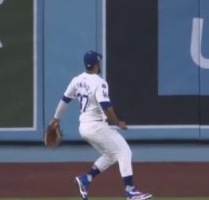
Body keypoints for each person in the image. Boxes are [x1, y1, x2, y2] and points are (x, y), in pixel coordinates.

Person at [50, 51, 152, 200]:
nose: (100, 64)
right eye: (99, 62)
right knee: (124, 151)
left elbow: (64, 101)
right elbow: (106, 105)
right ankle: (130, 191)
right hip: (96, 126)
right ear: (96, 65)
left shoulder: (76, 80)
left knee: (111, 155)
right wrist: (117, 122)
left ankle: (85, 179)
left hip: (84, 127)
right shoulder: (99, 82)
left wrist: (56, 119)